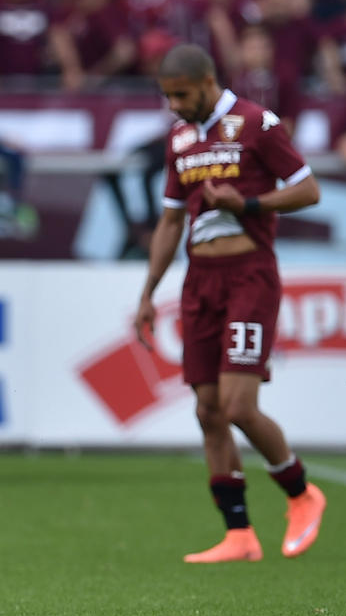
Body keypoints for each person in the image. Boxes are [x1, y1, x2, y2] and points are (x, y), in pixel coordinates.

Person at [134, 43, 326, 564]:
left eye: (182, 94)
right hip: (200, 282)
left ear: (207, 80)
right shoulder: (180, 140)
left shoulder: (256, 123)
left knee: (239, 405)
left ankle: (302, 493)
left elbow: (308, 190)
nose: (175, 104)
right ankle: (239, 534)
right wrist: (149, 292)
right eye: (167, 96)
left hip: (249, 277)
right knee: (207, 409)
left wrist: (249, 204)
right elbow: (172, 219)